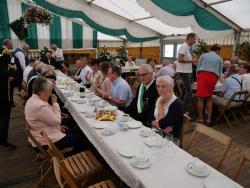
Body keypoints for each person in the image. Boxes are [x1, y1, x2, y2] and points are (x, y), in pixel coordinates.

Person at [25, 77, 85, 154]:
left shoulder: (32, 99)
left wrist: (58, 128)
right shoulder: (39, 105)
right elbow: (57, 121)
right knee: (81, 139)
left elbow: (48, 120)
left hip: (44, 134)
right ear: (40, 92)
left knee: (75, 131)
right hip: (46, 142)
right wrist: (55, 103)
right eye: (49, 90)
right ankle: (71, 159)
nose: (50, 93)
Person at [196, 45, 223, 124]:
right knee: (209, 98)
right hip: (213, 77)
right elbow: (220, 71)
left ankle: (200, 118)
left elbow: (198, 67)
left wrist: (198, 77)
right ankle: (209, 119)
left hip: (203, 75)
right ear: (217, 50)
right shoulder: (219, 58)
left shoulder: (203, 55)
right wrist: (216, 79)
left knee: (200, 99)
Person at [0, 39, 17, 149]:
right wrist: (12, 69)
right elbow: (3, 73)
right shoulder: (2, 59)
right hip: (2, 95)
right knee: (4, 117)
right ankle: (3, 140)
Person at [176, 32, 197, 113]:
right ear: (190, 38)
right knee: (189, 93)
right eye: (194, 39)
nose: (194, 41)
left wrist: (192, 61)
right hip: (184, 72)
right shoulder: (184, 46)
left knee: (184, 91)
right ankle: (183, 110)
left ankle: (178, 107)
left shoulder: (187, 47)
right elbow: (180, 59)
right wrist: (191, 61)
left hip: (186, 71)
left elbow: (184, 59)